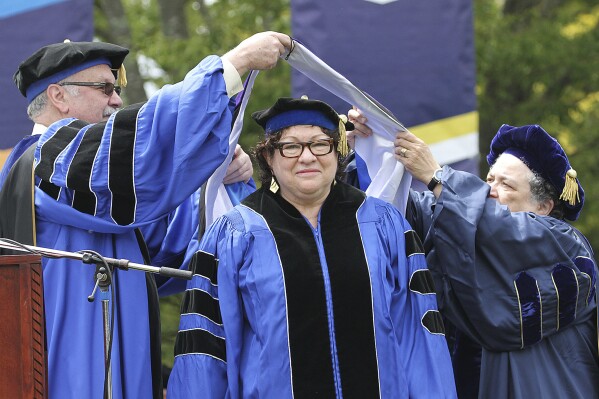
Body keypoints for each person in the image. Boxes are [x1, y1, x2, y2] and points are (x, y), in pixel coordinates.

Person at [0, 32, 291, 399]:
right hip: (73, 362)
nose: (117, 99)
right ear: (58, 96)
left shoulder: (99, 187)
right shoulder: (47, 156)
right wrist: (230, 67)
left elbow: (173, 241)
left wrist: (218, 180)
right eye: (105, 88)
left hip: (123, 356)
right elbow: (137, 146)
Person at [167, 97, 457, 398]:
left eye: (320, 144)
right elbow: (206, 349)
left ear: (337, 152)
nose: (307, 157)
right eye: (290, 146)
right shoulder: (235, 234)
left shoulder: (385, 226)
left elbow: (420, 338)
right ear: (268, 156)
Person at [348, 113, 599, 398]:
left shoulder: (569, 249)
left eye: (506, 185)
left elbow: (502, 231)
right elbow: (400, 212)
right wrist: (366, 152)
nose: (488, 191)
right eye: (488, 179)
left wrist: (438, 177)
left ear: (544, 207)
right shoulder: (460, 227)